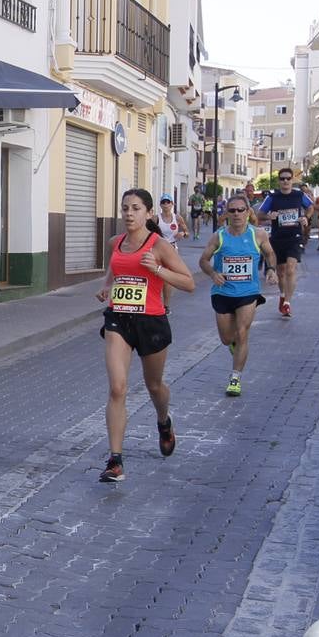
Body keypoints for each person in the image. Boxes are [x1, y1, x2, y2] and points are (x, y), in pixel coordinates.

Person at [95, 189, 196, 483]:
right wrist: (107, 287)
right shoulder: (115, 242)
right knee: (117, 388)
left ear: (148, 213)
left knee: (154, 386)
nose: (129, 213)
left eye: (135, 208)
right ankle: (115, 460)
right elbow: (115, 270)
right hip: (119, 320)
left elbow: (189, 283)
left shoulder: (160, 246)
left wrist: (159, 270)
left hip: (151, 321)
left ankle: (163, 421)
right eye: (124, 208)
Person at [200, 194, 278, 396]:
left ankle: (235, 378)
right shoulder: (219, 236)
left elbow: (270, 253)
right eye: (232, 210)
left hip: (248, 292)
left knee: (242, 332)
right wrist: (213, 273)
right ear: (227, 213)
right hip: (222, 292)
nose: (236, 214)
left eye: (240, 210)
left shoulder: (258, 234)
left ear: (247, 212)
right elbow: (203, 260)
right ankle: (233, 345)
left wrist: (271, 270)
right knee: (227, 339)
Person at [256, 167, 312, 318]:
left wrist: (306, 216)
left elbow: (311, 207)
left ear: (292, 179)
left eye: (288, 178)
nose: (285, 181)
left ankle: (287, 302)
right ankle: (282, 295)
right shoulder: (272, 197)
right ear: (279, 181)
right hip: (278, 238)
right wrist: (269, 216)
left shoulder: (299, 195)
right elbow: (259, 214)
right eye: (282, 179)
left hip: (294, 236)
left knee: (291, 269)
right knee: (280, 272)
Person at [155, 194, 190, 312]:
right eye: (163, 202)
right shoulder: (156, 218)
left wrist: (183, 234)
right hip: (158, 249)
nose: (166, 205)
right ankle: (156, 302)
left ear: (172, 204)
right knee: (156, 275)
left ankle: (166, 305)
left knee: (167, 278)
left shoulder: (177, 218)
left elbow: (187, 232)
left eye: (168, 202)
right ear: (160, 204)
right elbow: (147, 230)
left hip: (172, 250)